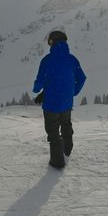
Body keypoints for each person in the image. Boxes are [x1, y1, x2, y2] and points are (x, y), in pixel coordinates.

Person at [33, 30, 86, 169]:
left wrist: (36, 89)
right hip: (67, 103)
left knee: (53, 132)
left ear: (53, 42)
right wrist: (73, 92)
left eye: (50, 42)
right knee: (66, 126)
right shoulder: (72, 59)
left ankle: (57, 162)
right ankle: (67, 151)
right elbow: (82, 78)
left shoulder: (47, 60)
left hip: (51, 105)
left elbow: (39, 81)